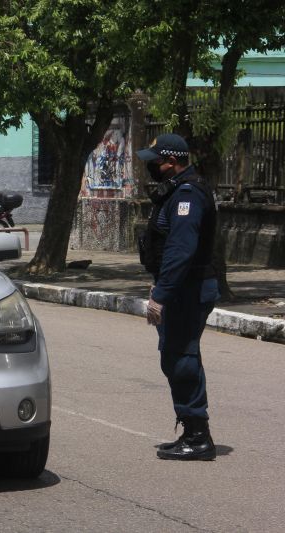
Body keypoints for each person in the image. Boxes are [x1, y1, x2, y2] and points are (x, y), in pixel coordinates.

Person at [136, 133, 220, 461]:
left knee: (181, 357)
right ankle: (192, 430)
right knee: (175, 356)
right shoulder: (177, 191)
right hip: (180, 288)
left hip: (189, 289)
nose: (151, 167)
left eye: (154, 162)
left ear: (172, 161)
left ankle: (199, 437)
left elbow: (180, 250)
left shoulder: (188, 194)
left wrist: (163, 293)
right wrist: (161, 285)